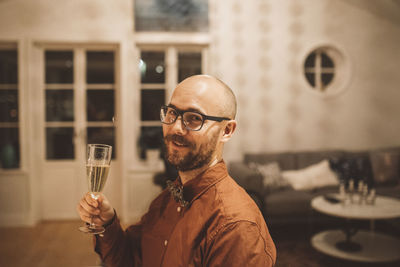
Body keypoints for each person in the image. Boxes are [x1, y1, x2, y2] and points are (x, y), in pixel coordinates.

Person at [77, 75, 277, 266]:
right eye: (172, 113)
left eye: (194, 118)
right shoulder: (166, 199)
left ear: (227, 131)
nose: (176, 128)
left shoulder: (236, 227)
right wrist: (108, 222)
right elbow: (129, 258)